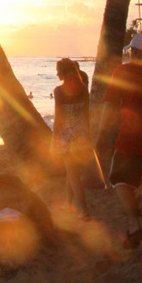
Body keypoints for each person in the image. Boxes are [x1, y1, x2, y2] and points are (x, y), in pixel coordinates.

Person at [97, 34, 142, 255]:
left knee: (119, 180)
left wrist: (99, 135)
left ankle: (134, 224)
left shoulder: (123, 71)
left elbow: (109, 106)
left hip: (131, 141)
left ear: (134, 53)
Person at [52, 58, 93, 219]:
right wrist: (88, 135)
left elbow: (59, 119)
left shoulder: (58, 91)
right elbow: (86, 114)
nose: (57, 74)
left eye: (58, 71)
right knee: (72, 171)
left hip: (67, 135)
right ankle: (68, 204)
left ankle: (83, 210)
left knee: (73, 173)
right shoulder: (83, 88)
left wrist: (53, 141)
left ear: (65, 72)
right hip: (81, 134)